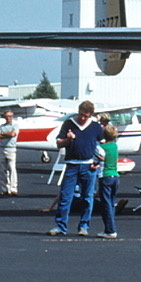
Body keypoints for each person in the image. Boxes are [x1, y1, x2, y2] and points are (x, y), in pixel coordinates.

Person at [50, 100, 102, 236]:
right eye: (81, 115)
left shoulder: (96, 126)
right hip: (72, 165)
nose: (82, 118)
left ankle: (84, 226)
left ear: (91, 115)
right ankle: (61, 226)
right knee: (66, 196)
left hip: (88, 166)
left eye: (86, 116)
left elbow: (101, 146)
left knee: (87, 197)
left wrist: (97, 162)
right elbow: (59, 143)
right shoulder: (68, 124)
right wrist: (68, 140)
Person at [93, 124, 119, 239]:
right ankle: (110, 228)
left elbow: (97, 157)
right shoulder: (115, 146)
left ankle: (110, 230)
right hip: (115, 176)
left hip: (105, 176)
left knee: (106, 204)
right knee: (111, 203)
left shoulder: (100, 148)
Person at [0, 109, 19, 196]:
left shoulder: (15, 125)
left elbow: (13, 134)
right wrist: (6, 134)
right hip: (2, 148)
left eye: (10, 116)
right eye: (7, 116)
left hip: (11, 148)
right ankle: (5, 189)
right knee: (3, 170)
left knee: (12, 169)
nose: (8, 118)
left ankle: (13, 188)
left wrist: (3, 135)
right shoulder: (1, 126)